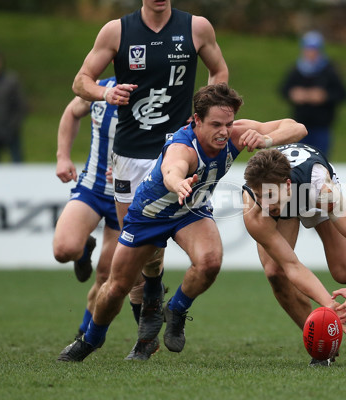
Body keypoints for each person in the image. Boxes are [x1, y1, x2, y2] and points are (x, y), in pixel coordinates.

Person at [58, 83, 307, 362]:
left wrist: (267, 140)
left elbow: (296, 127)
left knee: (210, 261)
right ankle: (89, 340)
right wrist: (179, 184)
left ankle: (175, 309)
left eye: (228, 123)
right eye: (216, 124)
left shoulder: (234, 133)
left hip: (191, 210)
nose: (224, 131)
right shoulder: (183, 147)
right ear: (196, 120)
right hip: (149, 215)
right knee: (117, 286)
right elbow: (171, 170)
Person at [70, 0, 229, 360]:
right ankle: (152, 296)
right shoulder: (117, 31)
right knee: (141, 255)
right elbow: (80, 81)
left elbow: (219, 72)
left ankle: (150, 332)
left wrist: (202, 113)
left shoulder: (196, 27)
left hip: (180, 151)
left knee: (200, 257)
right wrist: (104, 93)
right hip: (129, 156)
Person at [241, 143, 346, 366]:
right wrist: (329, 306)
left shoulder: (320, 188)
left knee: (344, 271)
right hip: (289, 201)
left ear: (287, 185)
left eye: (269, 195)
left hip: (309, 194)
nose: (264, 203)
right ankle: (322, 344)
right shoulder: (254, 207)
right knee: (275, 272)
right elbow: (292, 265)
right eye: (260, 195)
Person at [53, 77, 138, 340]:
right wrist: (63, 156)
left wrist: (133, 171)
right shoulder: (102, 87)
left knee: (108, 275)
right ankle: (82, 252)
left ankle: (84, 333)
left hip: (127, 196)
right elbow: (72, 111)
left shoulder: (160, 95)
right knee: (64, 250)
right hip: (92, 186)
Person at [279, 31, 346, 158]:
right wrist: (293, 94)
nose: (311, 53)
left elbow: (343, 94)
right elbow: (283, 90)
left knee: (320, 159)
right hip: (300, 125)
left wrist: (325, 96)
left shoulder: (328, 70)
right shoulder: (297, 69)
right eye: (308, 49)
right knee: (298, 159)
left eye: (314, 50)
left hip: (322, 125)